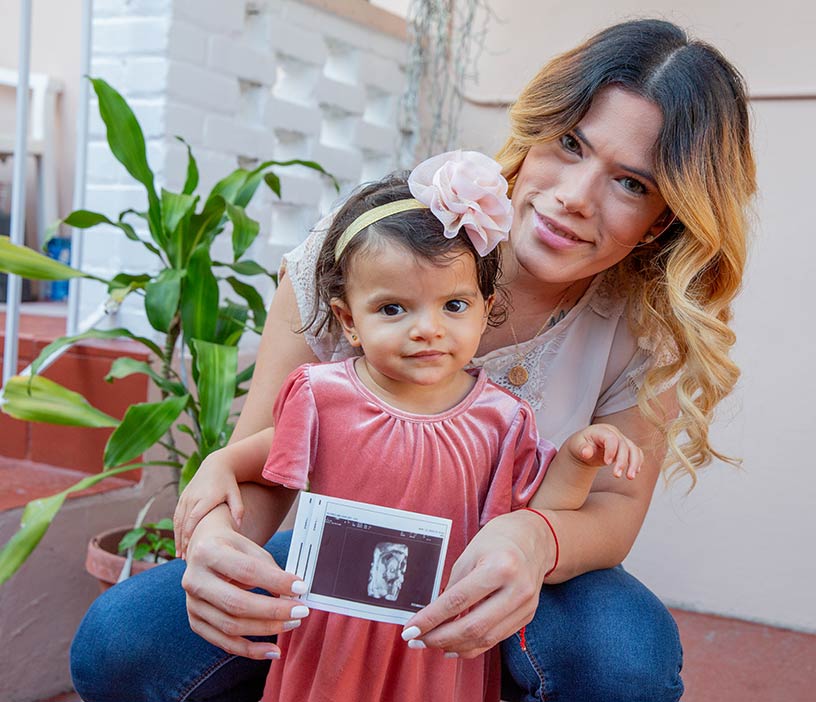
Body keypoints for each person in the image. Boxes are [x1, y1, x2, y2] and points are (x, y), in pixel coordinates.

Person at [70, 18, 756, 702]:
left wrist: (532, 540)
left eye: (631, 184)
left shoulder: (643, 327)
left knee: (622, 658)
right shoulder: (364, 252)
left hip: (520, 577)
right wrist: (222, 545)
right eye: (570, 143)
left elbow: (613, 509)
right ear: (539, 126)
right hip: (350, 553)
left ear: (663, 219)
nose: (575, 197)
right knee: (122, 642)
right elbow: (269, 459)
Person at [171, 153, 645, 702]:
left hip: (434, 632)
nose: (427, 329)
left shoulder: (501, 418)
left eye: (453, 305)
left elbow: (541, 510)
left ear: (485, 307)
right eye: (394, 309)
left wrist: (579, 460)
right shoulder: (325, 395)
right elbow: (267, 459)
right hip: (332, 620)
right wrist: (216, 465)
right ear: (348, 320)